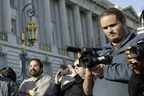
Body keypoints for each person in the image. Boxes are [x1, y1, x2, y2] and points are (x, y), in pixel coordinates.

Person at [84, 8, 144, 96]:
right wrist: (88, 74)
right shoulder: (102, 51)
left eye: (113, 25)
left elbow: (139, 71)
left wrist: (104, 70)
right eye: (105, 28)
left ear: (123, 23)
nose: (109, 31)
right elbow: (87, 92)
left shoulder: (139, 43)